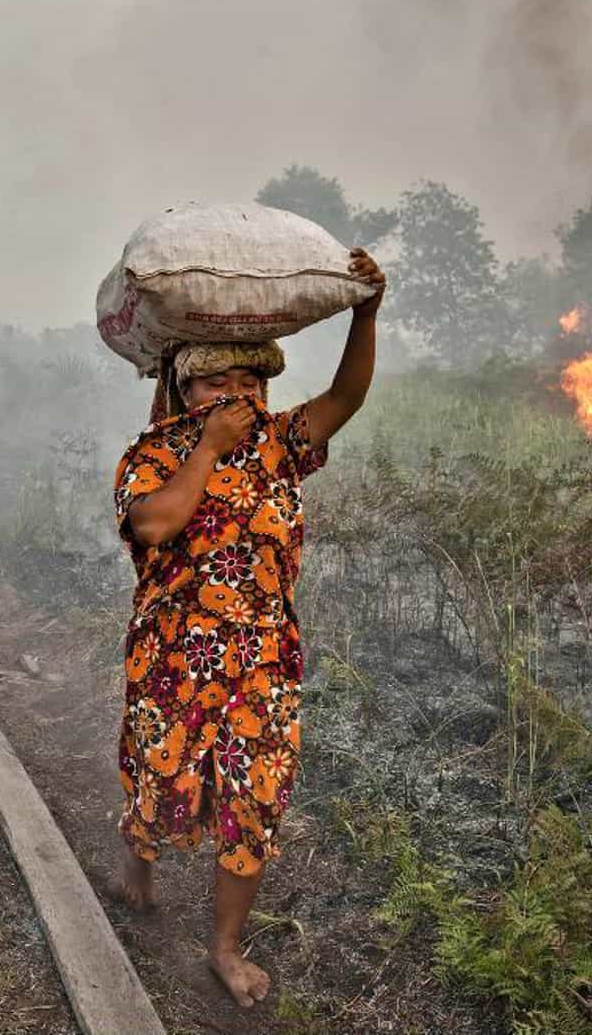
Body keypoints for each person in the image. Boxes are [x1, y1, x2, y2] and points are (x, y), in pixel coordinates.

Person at [110, 248, 385, 1008]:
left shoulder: (281, 447)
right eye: (216, 379)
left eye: (250, 379)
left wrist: (366, 311)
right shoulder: (155, 454)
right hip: (172, 661)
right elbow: (157, 524)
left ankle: (225, 948)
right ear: (183, 383)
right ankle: (138, 854)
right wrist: (206, 449)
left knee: (252, 803)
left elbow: (348, 395)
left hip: (261, 661)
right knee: (161, 782)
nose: (236, 392)